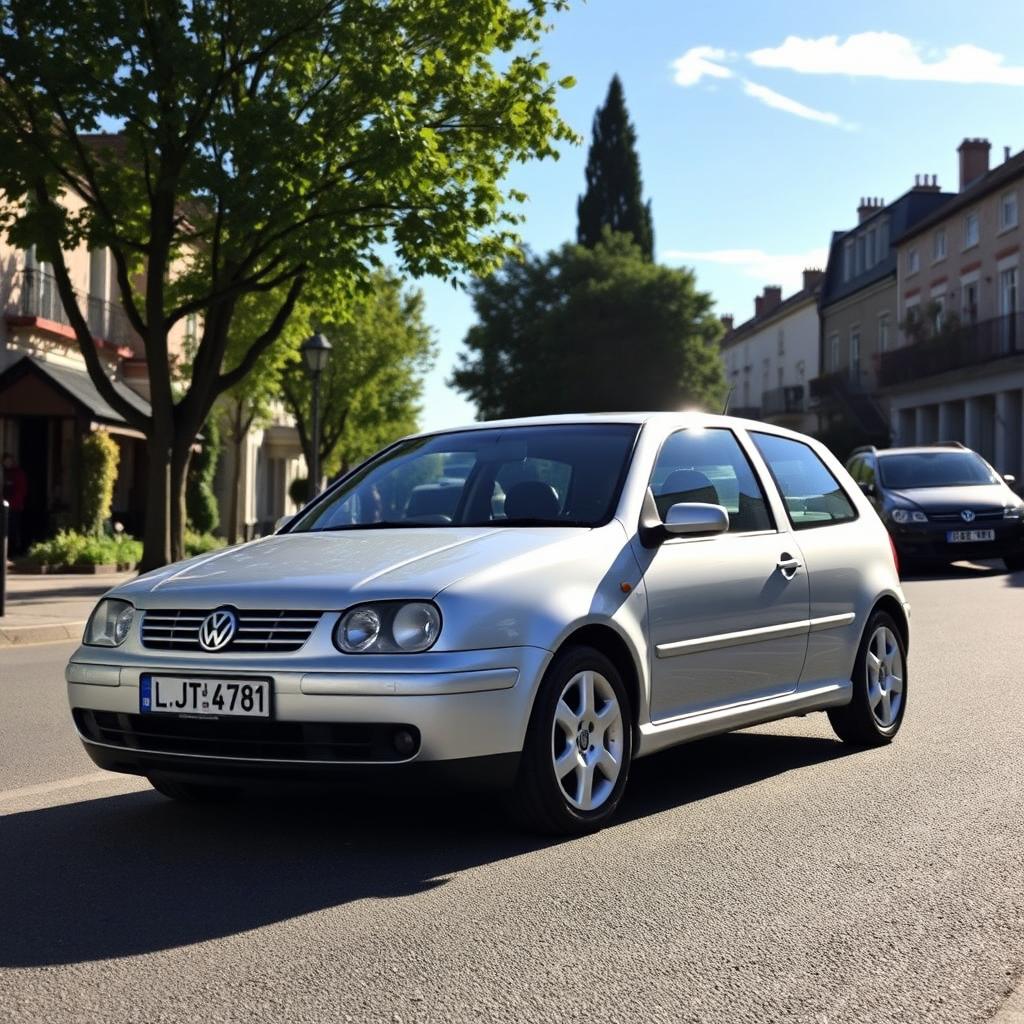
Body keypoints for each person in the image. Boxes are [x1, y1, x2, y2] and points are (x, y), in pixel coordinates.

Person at [1, 451, 27, 556]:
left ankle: (14, 551)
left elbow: (21, 491)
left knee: (13, 529)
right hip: (4, 506)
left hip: (15, 506)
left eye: (9, 461)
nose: (7, 463)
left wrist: (13, 502)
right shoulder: (4, 473)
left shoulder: (18, 474)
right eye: (5, 461)